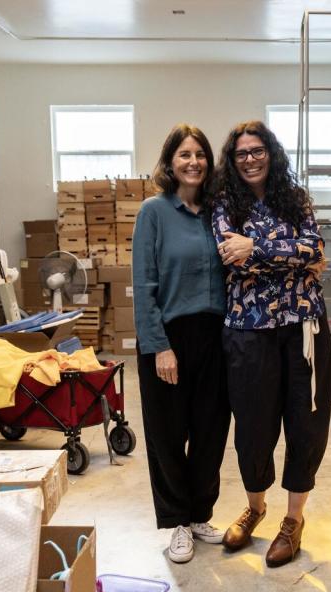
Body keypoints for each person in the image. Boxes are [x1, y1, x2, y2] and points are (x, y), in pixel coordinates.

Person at [211, 120, 331, 568]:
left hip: (303, 327)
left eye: (257, 150)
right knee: (253, 427)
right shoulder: (225, 202)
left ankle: (293, 521)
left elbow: (314, 249)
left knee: (306, 423)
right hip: (247, 328)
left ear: (271, 153)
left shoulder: (295, 198)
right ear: (232, 159)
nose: (249, 159)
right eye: (241, 153)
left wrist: (256, 248)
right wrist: (285, 253)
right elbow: (230, 255)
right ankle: (256, 507)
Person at [132, 124, 230, 564]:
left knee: (211, 432)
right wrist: (159, 346)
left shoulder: (219, 213)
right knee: (169, 435)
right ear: (170, 162)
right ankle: (175, 522)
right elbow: (144, 283)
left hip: (216, 335)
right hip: (169, 337)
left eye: (201, 155)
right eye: (185, 155)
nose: (194, 162)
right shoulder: (153, 212)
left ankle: (199, 514)